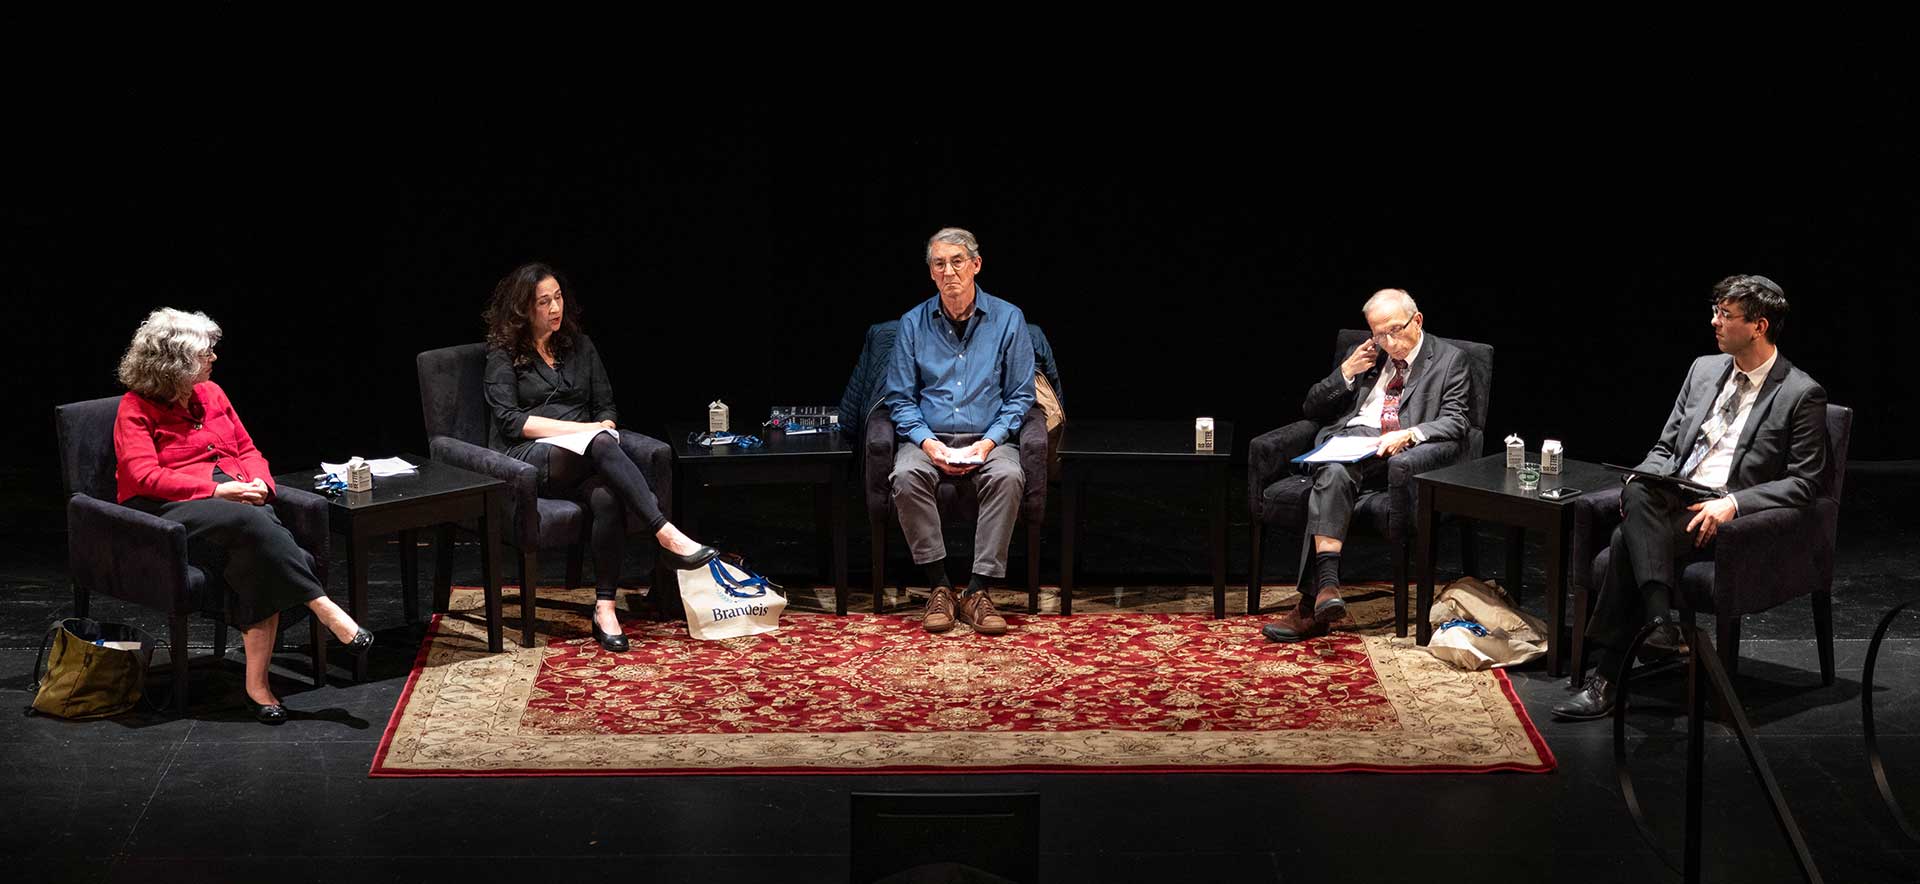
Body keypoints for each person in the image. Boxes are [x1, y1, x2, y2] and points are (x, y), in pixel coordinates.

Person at [1555, 274, 1827, 720]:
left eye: (1726, 314)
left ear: (1758, 326)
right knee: (1640, 487)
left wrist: (1733, 504)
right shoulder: (1703, 370)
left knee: (1626, 541)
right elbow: (1665, 448)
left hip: (1722, 510)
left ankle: (1609, 673)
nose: (1714, 321)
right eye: (1715, 311)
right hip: (1674, 492)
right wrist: (1640, 478)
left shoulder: (1800, 393)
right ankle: (1661, 624)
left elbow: (1804, 482)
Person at [114, 308, 373, 724]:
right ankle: (324, 607)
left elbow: (248, 450)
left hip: (233, 504)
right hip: (166, 509)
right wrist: (218, 490)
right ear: (176, 361)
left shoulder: (213, 395)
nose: (214, 358)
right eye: (205, 352)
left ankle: (258, 688)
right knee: (256, 524)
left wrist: (260, 484)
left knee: (256, 552)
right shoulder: (136, 407)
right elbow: (143, 475)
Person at [482, 262, 715, 652]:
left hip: (586, 453)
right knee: (603, 442)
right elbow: (510, 422)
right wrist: (584, 431)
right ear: (524, 308)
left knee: (607, 495)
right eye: (544, 301)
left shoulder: (579, 346)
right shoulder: (503, 355)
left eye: (557, 297)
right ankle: (665, 532)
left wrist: (598, 426)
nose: (555, 308)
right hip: (530, 458)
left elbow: (606, 406)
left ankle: (605, 608)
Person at [1263, 288, 1474, 643]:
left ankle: (1311, 603)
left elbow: (1457, 421)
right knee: (1333, 468)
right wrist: (1344, 374)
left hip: (1395, 451)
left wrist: (1410, 434)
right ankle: (1326, 590)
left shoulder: (1451, 360)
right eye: (1378, 333)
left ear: (1417, 320)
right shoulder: (1365, 354)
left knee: (1331, 474)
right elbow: (1312, 409)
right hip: (1349, 442)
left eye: (1395, 330)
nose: (1388, 342)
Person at [882, 228, 1035, 635]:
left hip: (989, 435)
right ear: (931, 273)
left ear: (976, 265)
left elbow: (1020, 397)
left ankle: (979, 591)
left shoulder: (1009, 319)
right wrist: (928, 443)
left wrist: (988, 443)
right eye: (939, 263)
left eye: (957, 261)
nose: (949, 271)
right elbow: (899, 398)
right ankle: (941, 588)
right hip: (930, 434)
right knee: (905, 474)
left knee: (1008, 475)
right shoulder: (912, 324)